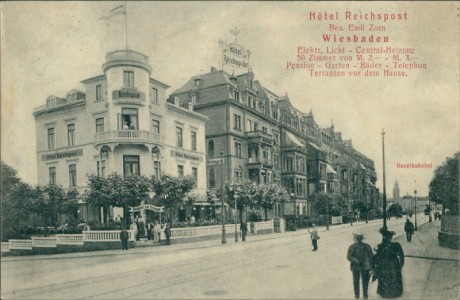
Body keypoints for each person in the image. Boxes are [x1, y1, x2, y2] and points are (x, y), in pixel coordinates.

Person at [373, 228, 405, 298]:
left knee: (391, 280)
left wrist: (400, 265)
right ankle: (387, 294)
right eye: (385, 237)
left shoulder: (395, 245)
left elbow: (401, 256)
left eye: (388, 237)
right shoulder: (380, 246)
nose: (387, 239)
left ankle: (390, 294)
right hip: (388, 265)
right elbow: (377, 257)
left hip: (391, 265)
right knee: (387, 280)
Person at [347, 232, 374, 299]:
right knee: (365, 282)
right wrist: (371, 267)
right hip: (365, 267)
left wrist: (356, 261)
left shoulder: (352, 247)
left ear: (355, 238)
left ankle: (357, 297)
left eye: (354, 238)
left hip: (356, 267)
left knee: (356, 282)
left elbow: (349, 256)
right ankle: (365, 296)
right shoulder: (367, 246)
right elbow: (371, 257)